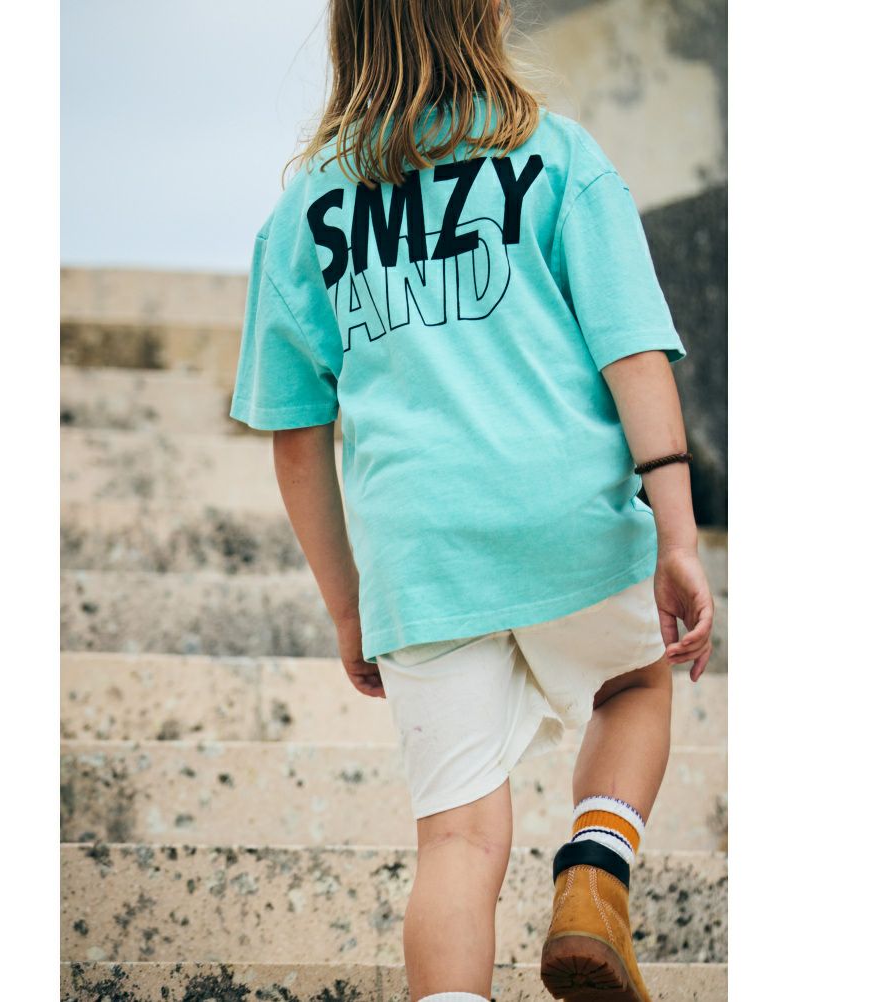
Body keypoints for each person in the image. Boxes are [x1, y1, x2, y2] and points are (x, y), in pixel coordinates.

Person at [228, 2, 715, 999]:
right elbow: (633, 355)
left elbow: (295, 435)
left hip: (421, 562)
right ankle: (594, 875)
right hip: (569, 523)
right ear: (489, 13)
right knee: (633, 687)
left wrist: (351, 607)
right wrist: (678, 535)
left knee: (456, 840)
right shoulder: (558, 158)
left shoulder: (305, 211)